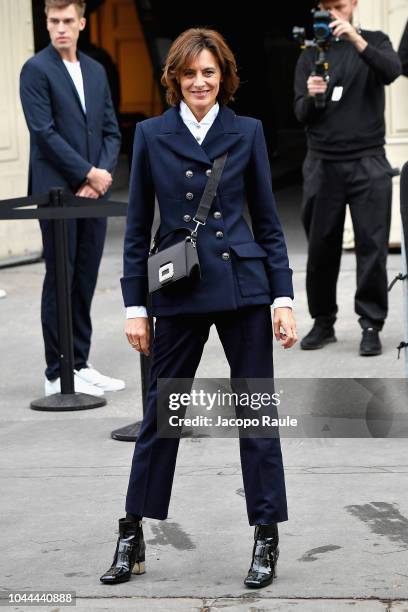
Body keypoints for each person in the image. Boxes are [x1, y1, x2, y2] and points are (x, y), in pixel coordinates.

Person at [100, 28, 297, 589]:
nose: (200, 82)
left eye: (209, 72)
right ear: (175, 80)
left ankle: (265, 534)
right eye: (190, 73)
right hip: (179, 292)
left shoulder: (248, 132)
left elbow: (268, 222)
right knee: (162, 417)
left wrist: (283, 297)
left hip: (244, 288)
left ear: (223, 78)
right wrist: (135, 305)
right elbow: (137, 230)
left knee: (256, 413)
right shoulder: (151, 135)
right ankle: (132, 532)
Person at [20, 0, 124, 396]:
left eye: (67, 21)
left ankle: (79, 362)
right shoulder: (35, 69)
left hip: (93, 192)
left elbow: (111, 130)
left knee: (84, 278)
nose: (60, 28)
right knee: (59, 277)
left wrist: (99, 177)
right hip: (57, 190)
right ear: (46, 24)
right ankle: (55, 372)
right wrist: (87, 172)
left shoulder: (96, 70)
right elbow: (43, 132)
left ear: (81, 22)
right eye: (53, 21)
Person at [294, 0, 401, 356]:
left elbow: (391, 71)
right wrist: (311, 97)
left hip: (368, 160)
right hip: (323, 163)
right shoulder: (311, 51)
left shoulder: (375, 41)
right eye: (326, 7)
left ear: (353, 4)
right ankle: (323, 322)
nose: (334, 13)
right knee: (321, 248)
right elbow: (300, 112)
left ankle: (371, 323)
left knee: (373, 247)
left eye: (339, 5)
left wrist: (356, 39)